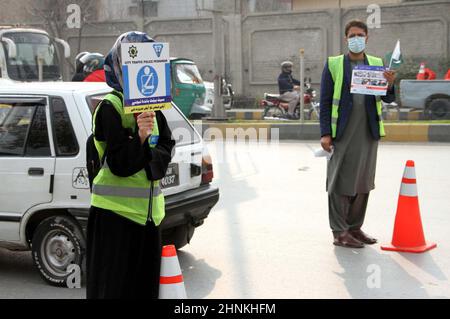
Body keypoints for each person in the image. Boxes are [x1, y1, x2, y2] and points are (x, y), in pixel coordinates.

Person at [86, 31, 175, 298]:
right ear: (118, 67)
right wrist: (140, 137)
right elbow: (119, 164)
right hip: (115, 217)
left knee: (144, 290)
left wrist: (149, 153)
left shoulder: (155, 108)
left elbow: (167, 147)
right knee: (114, 290)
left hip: (149, 218)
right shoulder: (110, 107)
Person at [319, 20, 396, 248]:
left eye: (360, 35)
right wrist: (325, 133)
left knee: (363, 182)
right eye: (352, 35)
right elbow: (324, 102)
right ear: (346, 39)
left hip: (367, 132)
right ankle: (339, 231)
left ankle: (354, 227)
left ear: (367, 38)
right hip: (341, 134)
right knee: (340, 182)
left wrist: (390, 84)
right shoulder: (334, 64)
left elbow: (387, 98)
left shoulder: (376, 63)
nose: (356, 39)